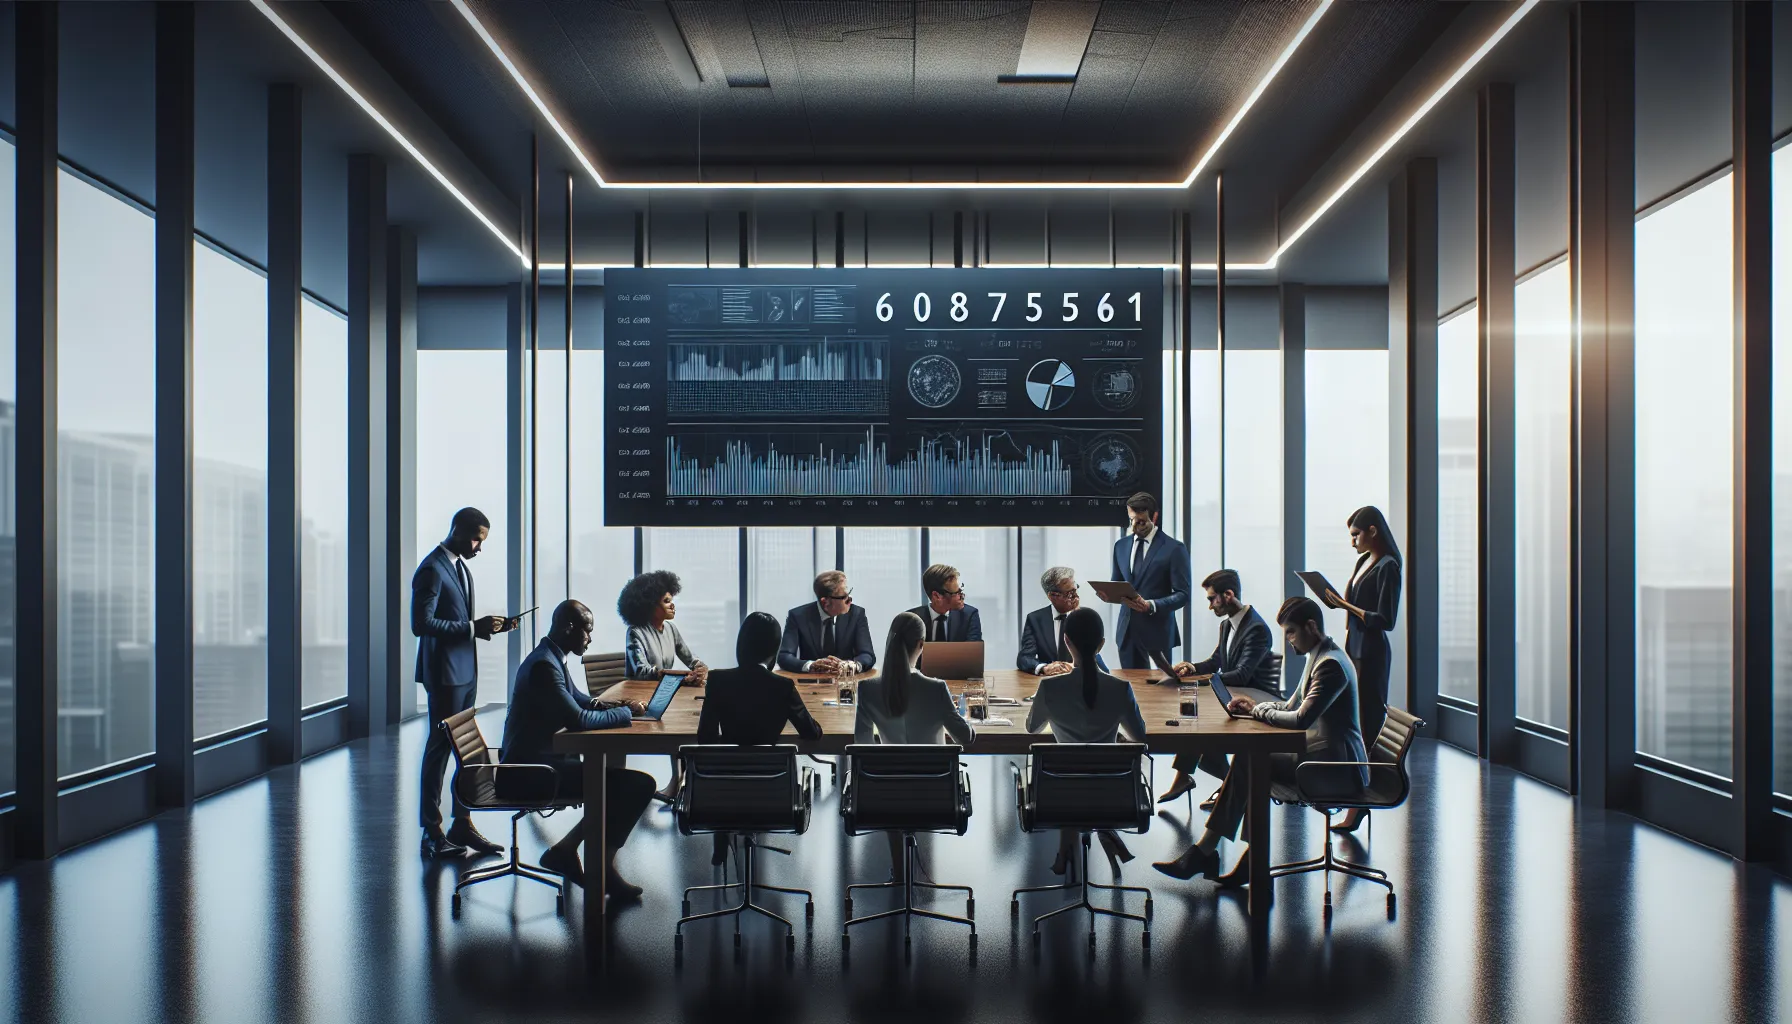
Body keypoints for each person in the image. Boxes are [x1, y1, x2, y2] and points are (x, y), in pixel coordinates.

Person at [1151, 597, 1368, 887]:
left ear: (1311, 627)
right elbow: (1292, 704)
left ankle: (1213, 853)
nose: (1289, 641)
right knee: (1251, 758)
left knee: (1252, 761)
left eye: (1291, 632)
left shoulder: (1330, 665)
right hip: (1321, 756)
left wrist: (1258, 711)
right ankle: (1236, 856)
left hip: (1335, 768)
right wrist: (1255, 706)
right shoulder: (1321, 654)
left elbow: (1301, 718)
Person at [498, 600, 657, 898]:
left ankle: (568, 850)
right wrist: (626, 715)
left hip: (536, 765)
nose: (590, 638)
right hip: (532, 774)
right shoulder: (545, 666)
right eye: (587, 631)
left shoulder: (550, 657)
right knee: (636, 784)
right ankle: (600, 868)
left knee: (617, 782)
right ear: (569, 628)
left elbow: (581, 700)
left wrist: (617, 706)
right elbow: (580, 719)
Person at [413, 507, 514, 859]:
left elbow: (457, 621)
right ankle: (431, 830)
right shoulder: (431, 568)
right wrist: (474, 628)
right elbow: (421, 624)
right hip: (444, 676)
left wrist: (489, 628)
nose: (478, 548)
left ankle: (462, 824)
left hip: (464, 673)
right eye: (476, 539)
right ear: (457, 529)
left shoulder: (461, 568)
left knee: (463, 751)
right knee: (439, 750)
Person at [1024, 607, 1148, 876]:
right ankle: (1099, 836)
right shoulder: (1120, 688)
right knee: (1085, 777)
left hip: (1059, 796)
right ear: (1102, 645)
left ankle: (1065, 852)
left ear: (1066, 641)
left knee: (1071, 776)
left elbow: (1032, 728)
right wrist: (1114, 734)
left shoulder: (1050, 688)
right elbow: (1140, 737)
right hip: (1113, 795)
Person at [854, 611, 975, 879]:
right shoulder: (935, 688)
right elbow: (965, 738)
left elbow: (861, 745)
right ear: (921, 645)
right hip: (936, 794)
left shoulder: (869, 689)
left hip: (885, 795)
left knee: (890, 786)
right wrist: (961, 716)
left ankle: (899, 870)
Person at [697, 612, 825, 865]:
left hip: (723, 789)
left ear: (741, 643)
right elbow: (811, 733)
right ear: (773, 649)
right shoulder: (782, 686)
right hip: (772, 794)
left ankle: (723, 833)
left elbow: (705, 737)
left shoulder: (718, 680)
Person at [1158, 569, 1278, 808]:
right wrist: (1192, 668)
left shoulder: (1257, 629)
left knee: (1201, 718)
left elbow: (1243, 674)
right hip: (1236, 692)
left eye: (1212, 599)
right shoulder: (1227, 626)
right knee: (1196, 716)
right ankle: (1201, 780)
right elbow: (1216, 662)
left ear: (1229, 595)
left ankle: (1230, 784)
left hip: (1256, 697)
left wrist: (1204, 681)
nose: (1211, 606)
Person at [1323, 505, 1401, 834]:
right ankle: (1355, 799)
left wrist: (1345, 606)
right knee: (1353, 724)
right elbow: (1354, 610)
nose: (1352, 541)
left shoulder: (1389, 566)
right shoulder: (1361, 562)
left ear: (1372, 531)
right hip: (1354, 650)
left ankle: (1359, 805)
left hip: (1372, 654)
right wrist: (1338, 604)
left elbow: (1386, 620)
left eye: (1356, 534)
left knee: (1366, 727)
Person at [619, 569, 708, 804]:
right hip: (640, 698)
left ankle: (679, 779)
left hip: (665, 692)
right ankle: (676, 780)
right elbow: (641, 670)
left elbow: (690, 657)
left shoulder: (671, 629)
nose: (672, 606)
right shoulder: (636, 632)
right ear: (650, 605)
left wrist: (699, 667)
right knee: (674, 722)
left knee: (687, 721)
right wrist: (680, 675)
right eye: (666, 601)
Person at [1110, 491, 1191, 669]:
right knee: (1131, 691)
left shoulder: (1174, 549)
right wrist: (1108, 594)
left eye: (1140, 521)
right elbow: (1117, 583)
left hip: (1158, 633)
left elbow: (1183, 594)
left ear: (1154, 516)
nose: (1134, 526)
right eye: (1131, 519)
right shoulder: (1120, 546)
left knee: (1162, 692)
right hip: (1127, 632)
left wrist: (1152, 605)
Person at [778, 570, 877, 674]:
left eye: (849, 594)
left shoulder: (857, 614)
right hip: (811, 684)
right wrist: (811, 665)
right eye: (844, 597)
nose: (850, 600)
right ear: (825, 602)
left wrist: (853, 665)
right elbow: (785, 656)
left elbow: (867, 654)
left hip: (845, 683)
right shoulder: (798, 616)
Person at [1017, 566, 1107, 675]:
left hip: (1081, 682)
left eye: (1075, 589)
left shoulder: (1087, 617)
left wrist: (1077, 616)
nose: (1076, 597)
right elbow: (1024, 658)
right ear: (1052, 596)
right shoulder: (1035, 619)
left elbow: (1101, 665)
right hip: (1048, 683)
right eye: (1070, 593)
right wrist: (1044, 668)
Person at [907, 563, 983, 643]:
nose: (962, 596)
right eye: (956, 593)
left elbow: (973, 653)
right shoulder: (911, 620)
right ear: (936, 596)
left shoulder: (969, 615)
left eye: (961, 590)